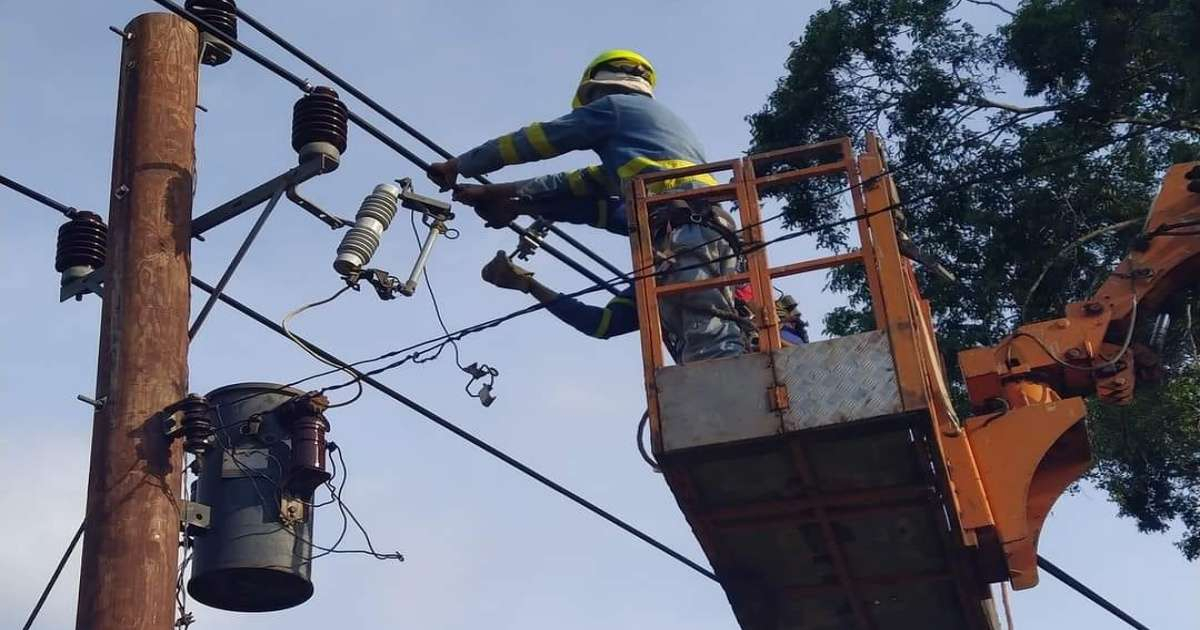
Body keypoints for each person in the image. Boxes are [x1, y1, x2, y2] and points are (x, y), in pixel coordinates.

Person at [428, 49, 746, 363]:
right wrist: (510, 201)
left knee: (710, 346)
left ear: (594, 87)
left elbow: (538, 140)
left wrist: (460, 164)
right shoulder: (648, 145)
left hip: (687, 230)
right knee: (704, 338)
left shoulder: (614, 108)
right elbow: (576, 184)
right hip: (705, 230)